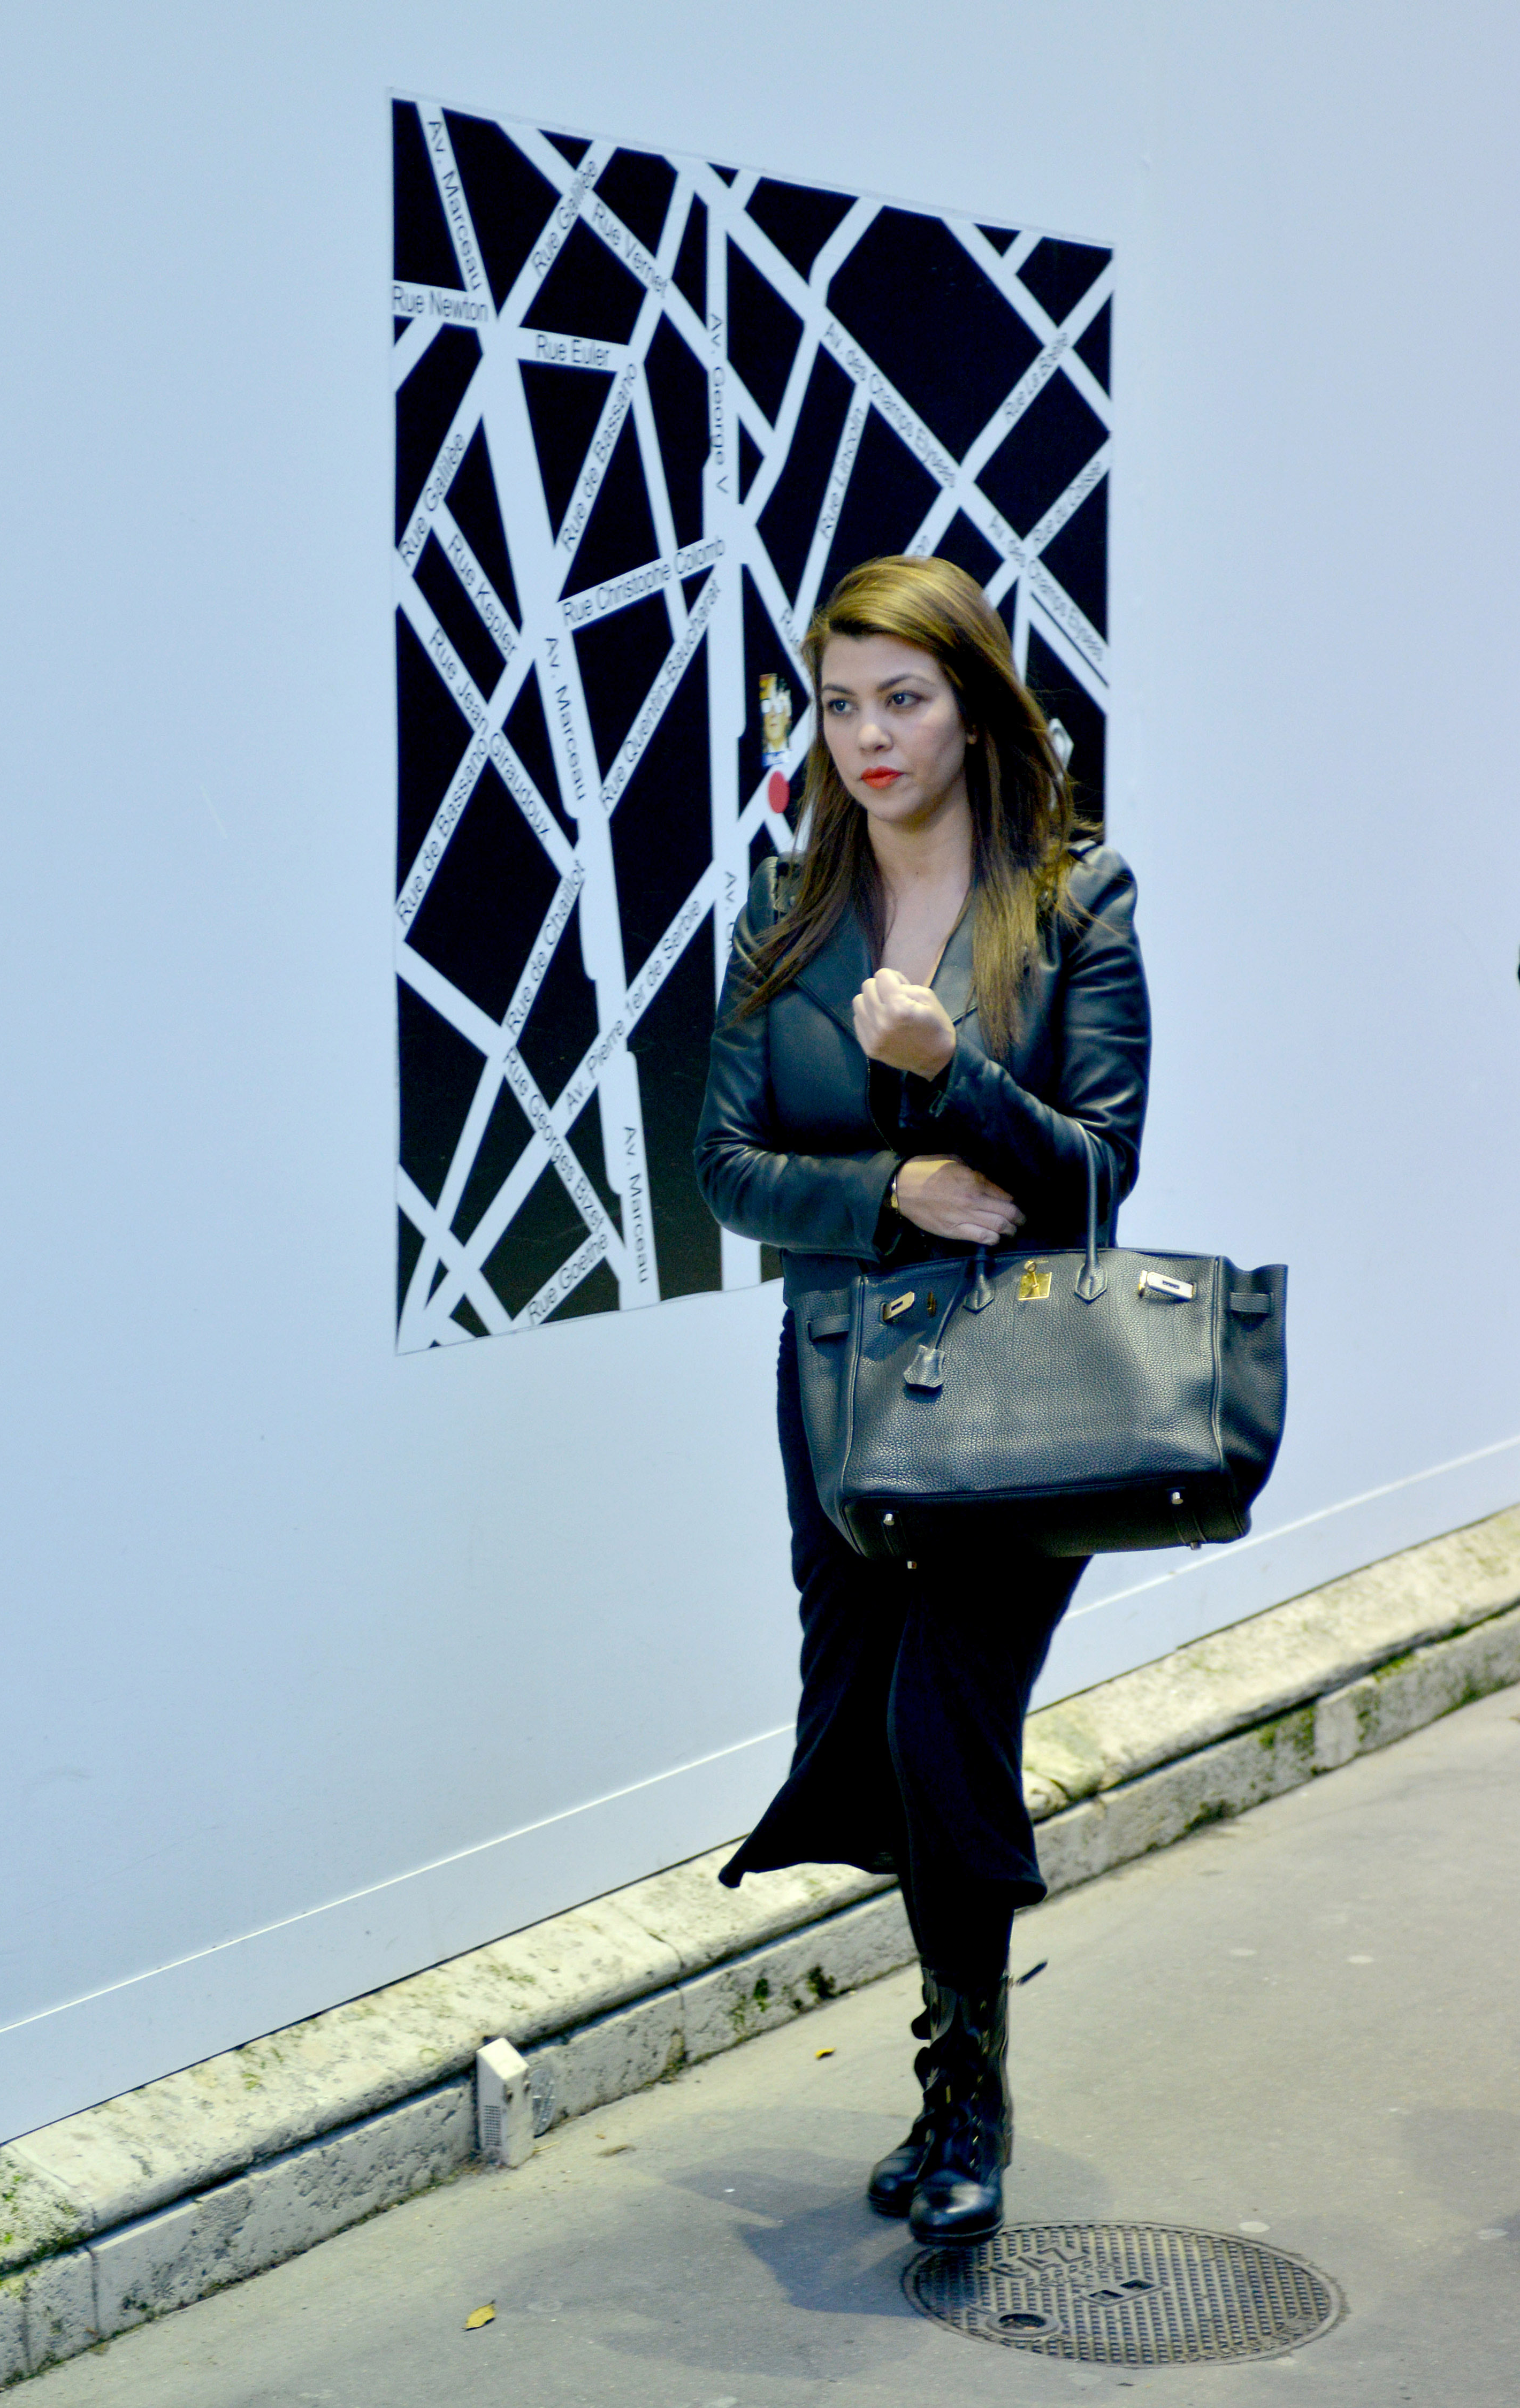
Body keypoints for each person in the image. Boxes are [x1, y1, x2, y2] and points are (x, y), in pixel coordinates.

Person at [694, 554, 1150, 2247]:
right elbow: (723, 1164)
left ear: (971, 706)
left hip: (1024, 1385)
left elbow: (1095, 1171)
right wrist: (889, 1187)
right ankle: (954, 2048)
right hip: (840, 1384)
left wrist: (946, 1072)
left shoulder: (1076, 901)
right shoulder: (784, 912)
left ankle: (967, 2093)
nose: (867, 734)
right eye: (838, 703)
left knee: (945, 1722)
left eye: (902, 697)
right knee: (871, 1726)